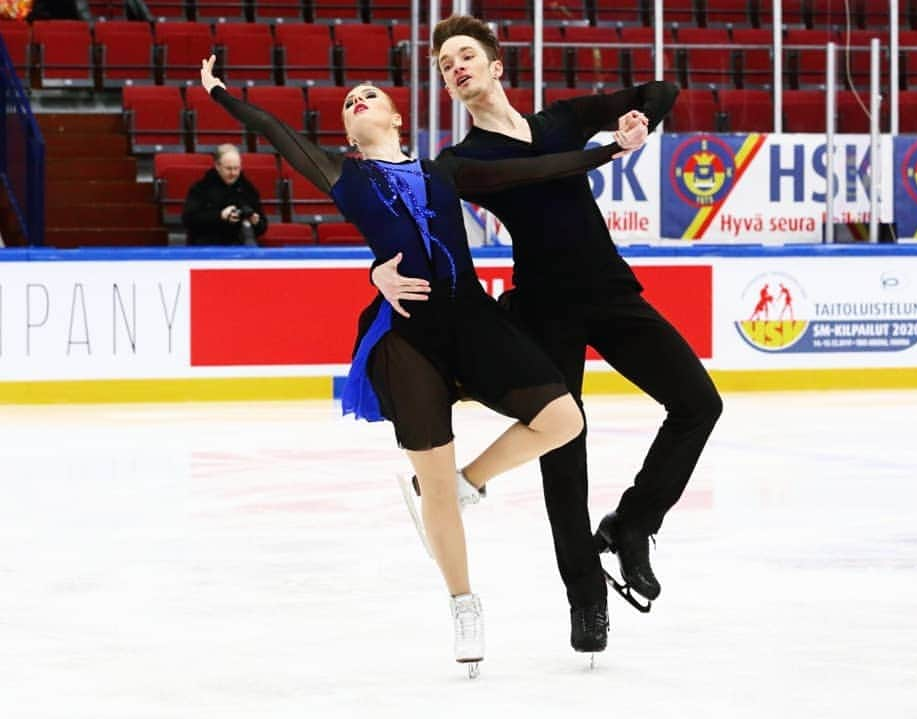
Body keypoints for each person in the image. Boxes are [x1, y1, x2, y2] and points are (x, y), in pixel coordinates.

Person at [197, 55, 647, 673]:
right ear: (349, 133)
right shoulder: (343, 174)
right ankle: (463, 602)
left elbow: (535, 168)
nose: (358, 98)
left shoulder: (447, 170)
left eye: (369, 93)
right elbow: (276, 134)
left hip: (473, 320)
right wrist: (221, 92)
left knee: (563, 419)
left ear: (395, 116)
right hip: (407, 335)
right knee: (431, 479)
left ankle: (471, 482)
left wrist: (604, 154)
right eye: (348, 101)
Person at [373, 15, 723, 655]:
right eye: (445, 63)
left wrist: (638, 122)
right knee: (566, 457)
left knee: (700, 403)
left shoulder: (559, 119)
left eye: (465, 55)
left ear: (495, 65)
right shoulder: (462, 162)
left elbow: (661, 90)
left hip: (610, 291)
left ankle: (632, 524)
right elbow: (511, 183)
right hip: (543, 309)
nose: (455, 67)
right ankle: (586, 600)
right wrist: (378, 270)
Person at [181, 144, 268, 246]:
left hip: (240, 244)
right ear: (217, 166)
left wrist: (256, 222)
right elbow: (188, 220)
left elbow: (262, 226)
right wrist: (220, 215)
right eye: (228, 168)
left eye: (236, 168)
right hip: (207, 246)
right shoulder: (201, 187)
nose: (233, 173)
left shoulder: (247, 189)